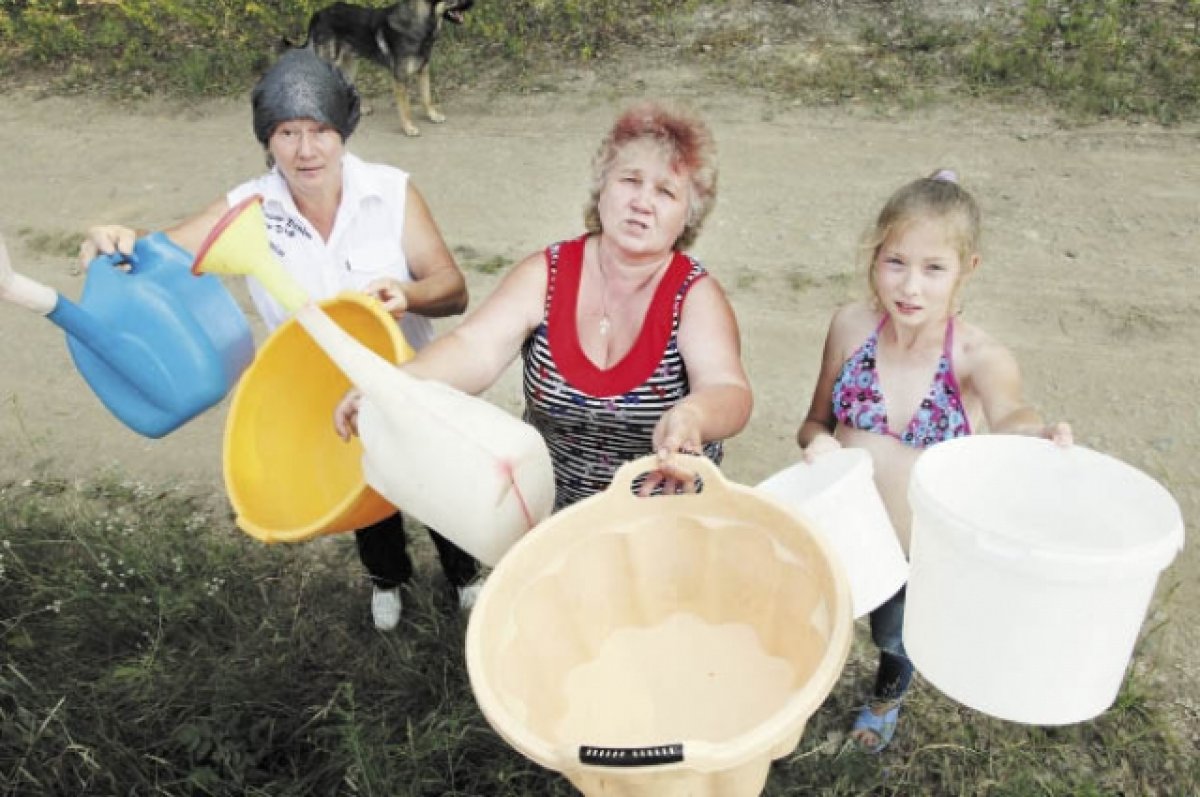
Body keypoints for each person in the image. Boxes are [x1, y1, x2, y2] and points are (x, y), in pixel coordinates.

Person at [78, 48, 481, 632]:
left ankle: (464, 574)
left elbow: (453, 287)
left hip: (410, 374)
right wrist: (117, 239)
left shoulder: (392, 192)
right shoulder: (249, 206)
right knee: (362, 492)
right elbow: (163, 251)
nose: (305, 149)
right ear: (268, 141)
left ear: (343, 132)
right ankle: (388, 578)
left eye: (320, 130)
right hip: (323, 388)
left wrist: (408, 294)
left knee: (435, 479)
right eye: (287, 132)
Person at [335, 101, 753, 514]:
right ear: (602, 188)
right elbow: (474, 347)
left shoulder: (695, 295)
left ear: (688, 216)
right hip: (555, 515)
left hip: (665, 514)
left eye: (666, 191)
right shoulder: (547, 274)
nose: (642, 202)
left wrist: (692, 416)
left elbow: (728, 389)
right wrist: (393, 384)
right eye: (629, 180)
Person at [795, 169, 1072, 753]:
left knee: (896, 637)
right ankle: (796, 695)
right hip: (840, 528)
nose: (910, 286)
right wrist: (817, 441)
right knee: (814, 621)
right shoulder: (850, 326)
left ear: (966, 271)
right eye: (895, 261)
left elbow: (1011, 412)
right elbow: (814, 419)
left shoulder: (977, 355)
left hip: (917, 550)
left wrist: (1037, 434)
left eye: (933, 268)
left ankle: (885, 700)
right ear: (873, 256)